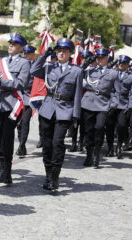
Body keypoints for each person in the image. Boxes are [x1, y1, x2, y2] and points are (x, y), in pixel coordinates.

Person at [30, 38, 83, 190]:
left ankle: (55, 177)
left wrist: (76, 115)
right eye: (59, 50)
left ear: (70, 53)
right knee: (47, 144)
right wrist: (45, 53)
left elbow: (78, 94)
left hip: (65, 110)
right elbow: (33, 70)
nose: (61, 53)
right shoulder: (48, 67)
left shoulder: (77, 71)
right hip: (47, 109)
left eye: (64, 51)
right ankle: (47, 174)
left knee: (57, 143)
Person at [0, 33, 30, 185]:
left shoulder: (24, 63)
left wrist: (1, 82)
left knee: (7, 137)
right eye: (10, 43)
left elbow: (21, 83)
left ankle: (7, 172)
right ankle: (1, 169)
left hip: (13, 103)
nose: (11, 46)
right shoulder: (0, 62)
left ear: (21, 47)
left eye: (14, 44)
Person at [81, 48, 119, 168]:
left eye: (102, 57)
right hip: (88, 102)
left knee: (99, 128)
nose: (100, 59)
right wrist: (87, 62)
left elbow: (116, 91)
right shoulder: (89, 70)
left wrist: (113, 105)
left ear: (107, 58)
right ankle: (89, 154)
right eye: (98, 57)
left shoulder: (113, 73)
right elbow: (77, 73)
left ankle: (97, 153)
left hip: (103, 104)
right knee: (88, 130)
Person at [16, 45, 36, 157]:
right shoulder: (21, 64)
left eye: (28, 53)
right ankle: (21, 144)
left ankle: (22, 145)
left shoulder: (35, 66)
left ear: (33, 54)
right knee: (19, 123)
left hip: (29, 98)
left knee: (25, 122)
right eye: (25, 53)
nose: (26, 55)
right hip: (18, 97)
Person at [114, 55, 132, 159]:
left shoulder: (130, 76)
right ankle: (111, 147)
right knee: (109, 127)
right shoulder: (112, 74)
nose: (121, 65)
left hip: (123, 104)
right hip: (111, 103)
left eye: (124, 63)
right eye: (120, 63)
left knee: (121, 126)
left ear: (127, 65)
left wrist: (129, 107)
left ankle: (119, 146)